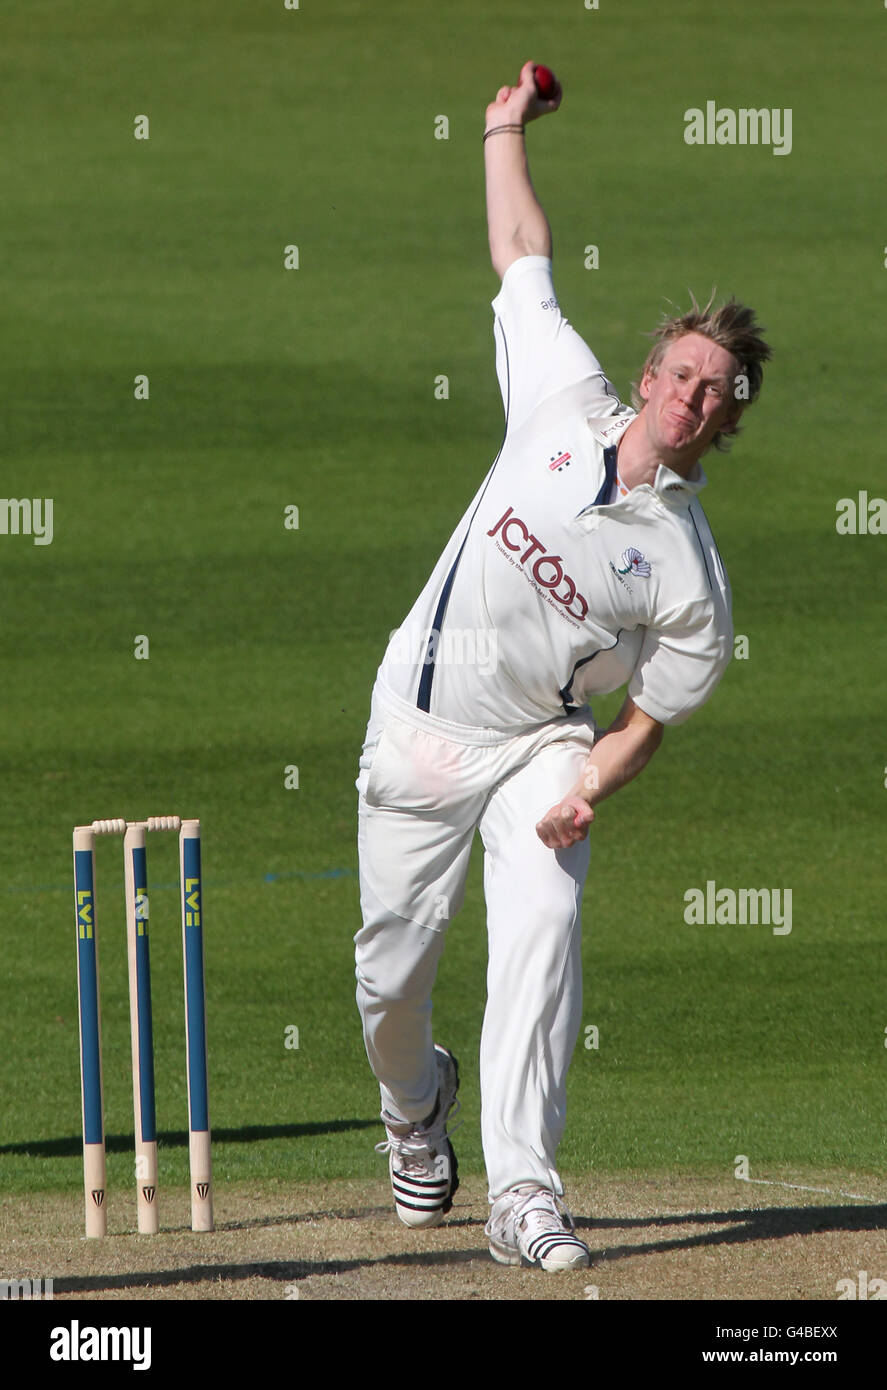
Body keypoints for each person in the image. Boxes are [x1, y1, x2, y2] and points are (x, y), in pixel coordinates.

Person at [353, 60, 771, 1271]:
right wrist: (498, 128)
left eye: (715, 395)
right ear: (647, 378)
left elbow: (653, 711)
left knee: (541, 922)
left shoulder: (687, 575)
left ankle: (523, 1191)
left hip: (542, 742)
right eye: (681, 375)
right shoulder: (557, 391)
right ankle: (409, 1100)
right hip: (424, 721)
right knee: (389, 980)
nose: (692, 398)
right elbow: (521, 249)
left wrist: (596, 778)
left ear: (721, 426)